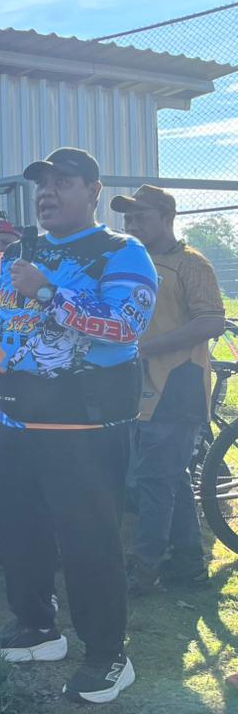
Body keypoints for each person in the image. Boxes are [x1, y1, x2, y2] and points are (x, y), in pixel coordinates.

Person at [0, 147, 154, 705]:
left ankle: (107, 656)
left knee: (89, 543)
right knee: (23, 534)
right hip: (14, 418)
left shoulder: (122, 252)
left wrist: (48, 292)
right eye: (42, 185)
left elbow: (125, 328)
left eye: (64, 182)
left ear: (94, 191)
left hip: (85, 425)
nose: (48, 193)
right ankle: (34, 629)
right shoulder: (18, 253)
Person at [112, 184, 225, 592]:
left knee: (153, 480)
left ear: (167, 216)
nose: (132, 224)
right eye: (128, 218)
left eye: (141, 216)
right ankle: (188, 563)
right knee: (169, 477)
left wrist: (145, 348)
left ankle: (145, 569)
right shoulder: (132, 262)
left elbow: (212, 321)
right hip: (141, 387)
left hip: (179, 384)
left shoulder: (190, 263)